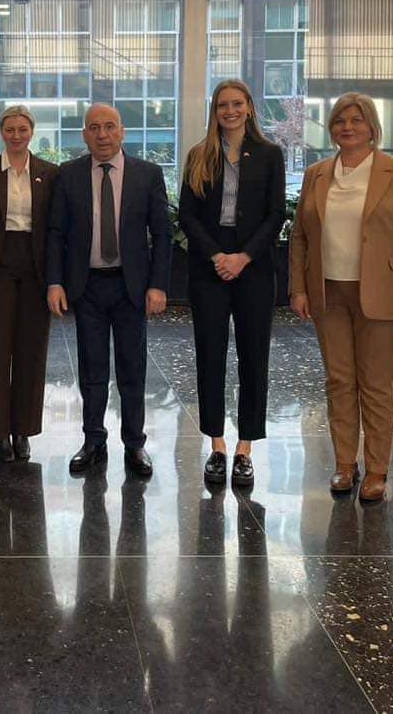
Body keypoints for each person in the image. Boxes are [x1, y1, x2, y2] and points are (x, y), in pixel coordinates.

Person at [288, 93, 393, 504]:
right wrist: (298, 287)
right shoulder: (316, 174)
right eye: (340, 121)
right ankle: (345, 463)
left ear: (372, 127)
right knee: (339, 380)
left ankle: (377, 469)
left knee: (377, 384)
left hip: (382, 293)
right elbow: (300, 236)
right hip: (328, 290)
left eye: (356, 120)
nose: (348, 127)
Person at [47, 104, 171, 478]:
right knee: (92, 369)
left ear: (122, 131)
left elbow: (162, 234)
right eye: (94, 127)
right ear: (84, 134)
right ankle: (93, 440)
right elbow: (56, 232)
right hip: (87, 286)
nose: (102, 134)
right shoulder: (68, 175)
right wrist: (55, 281)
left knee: (132, 369)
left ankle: (134, 443)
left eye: (109, 126)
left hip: (131, 286)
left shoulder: (147, 174)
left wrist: (158, 285)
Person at [178, 80, 286, 489]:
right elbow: (187, 215)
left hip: (253, 266)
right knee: (210, 355)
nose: (230, 110)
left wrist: (243, 257)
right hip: (209, 265)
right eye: (223, 104)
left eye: (237, 103)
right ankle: (217, 445)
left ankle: (245, 448)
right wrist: (217, 256)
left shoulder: (270, 154)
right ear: (215, 110)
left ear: (249, 108)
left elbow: (276, 214)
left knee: (253, 356)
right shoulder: (199, 155)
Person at [0, 105, 58, 462]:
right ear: (1, 132)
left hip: (36, 270)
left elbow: (54, 224)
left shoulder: (49, 173)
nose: (16, 135)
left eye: (22, 129)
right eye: (9, 129)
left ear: (31, 132)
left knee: (31, 354)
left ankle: (23, 432)